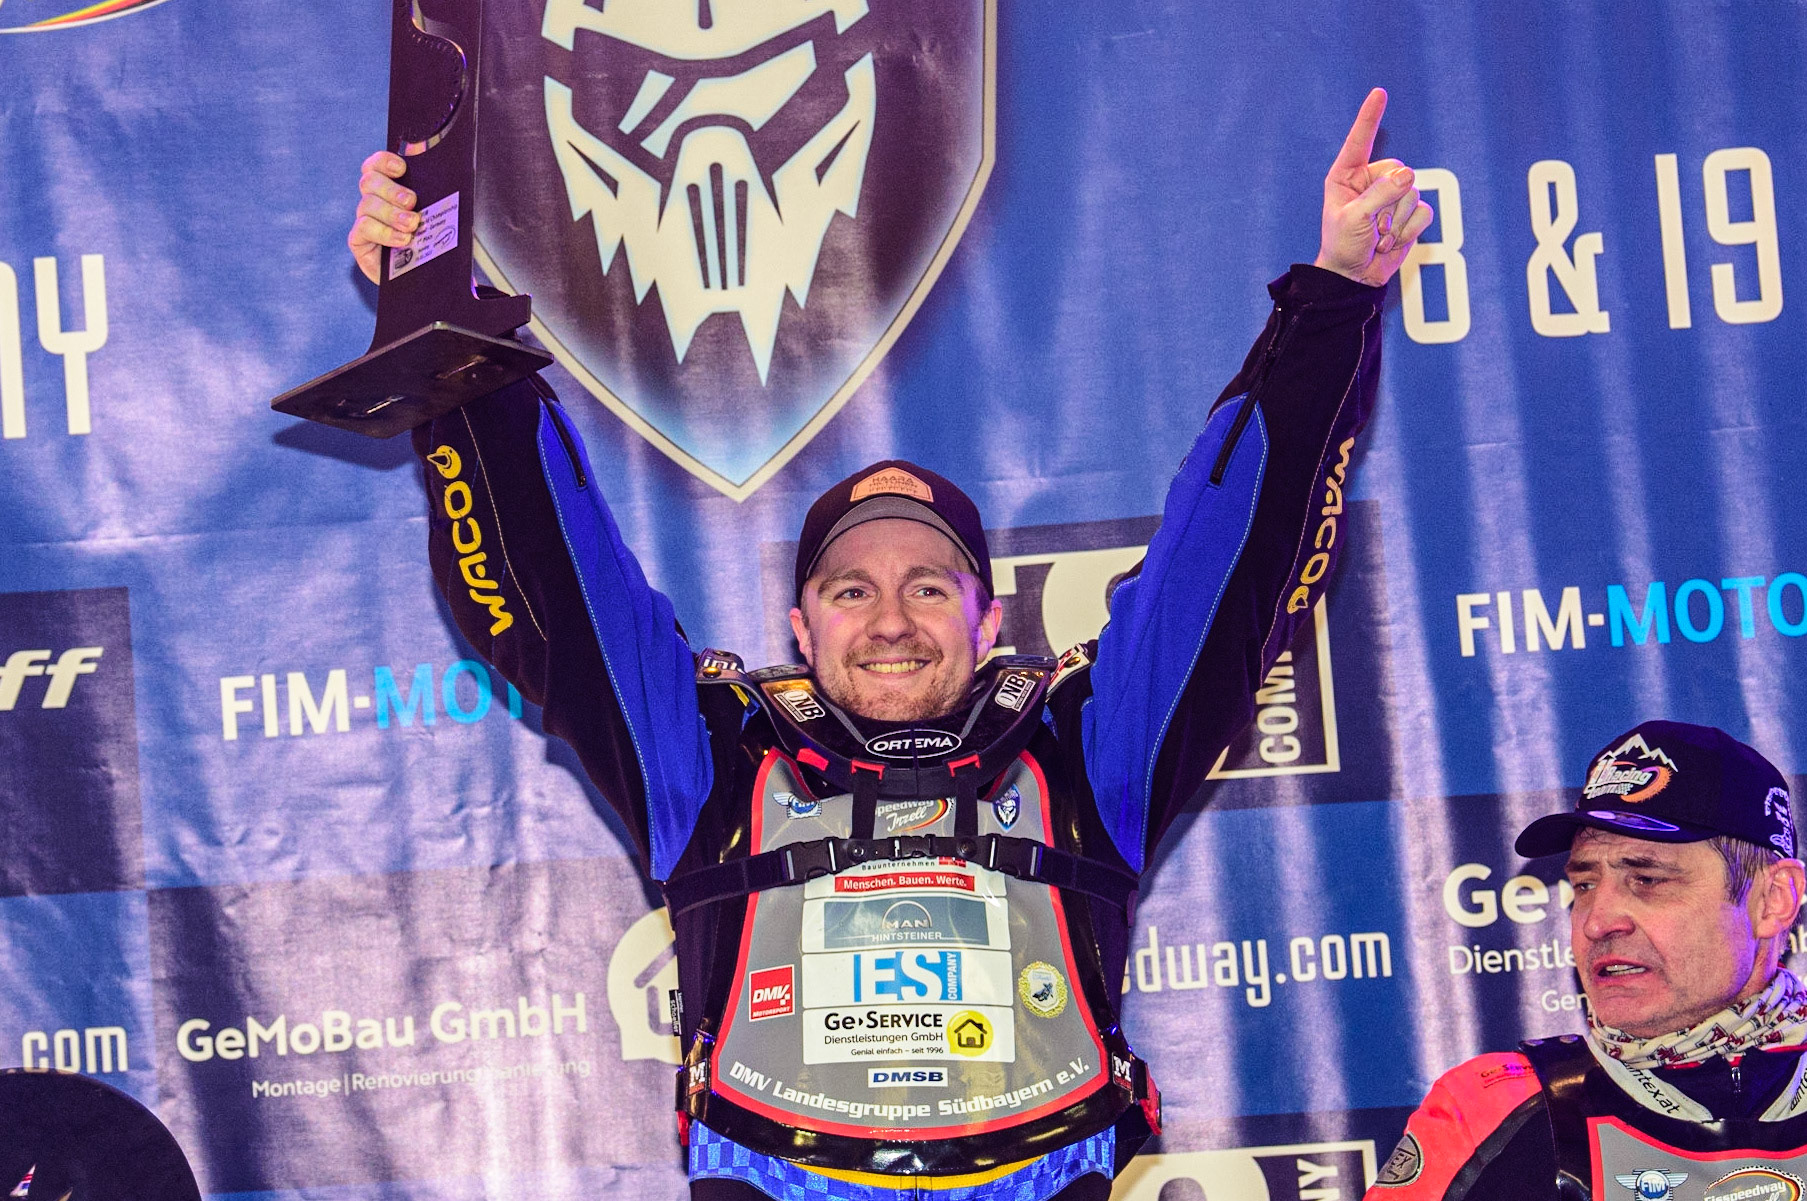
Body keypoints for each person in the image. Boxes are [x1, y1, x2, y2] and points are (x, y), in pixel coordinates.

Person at [350, 90, 1430, 1201]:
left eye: (928, 585)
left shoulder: (1084, 747)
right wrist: (444, 317)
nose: (891, 621)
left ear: (988, 618)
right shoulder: (708, 753)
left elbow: (1227, 561)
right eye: (851, 589)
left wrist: (1332, 301)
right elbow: (559, 582)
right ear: (799, 625)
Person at [1367, 720, 1807, 1201]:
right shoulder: (1491, 1112)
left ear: (1773, 900)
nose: (1596, 922)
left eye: (1647, 880)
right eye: (1584, 884)